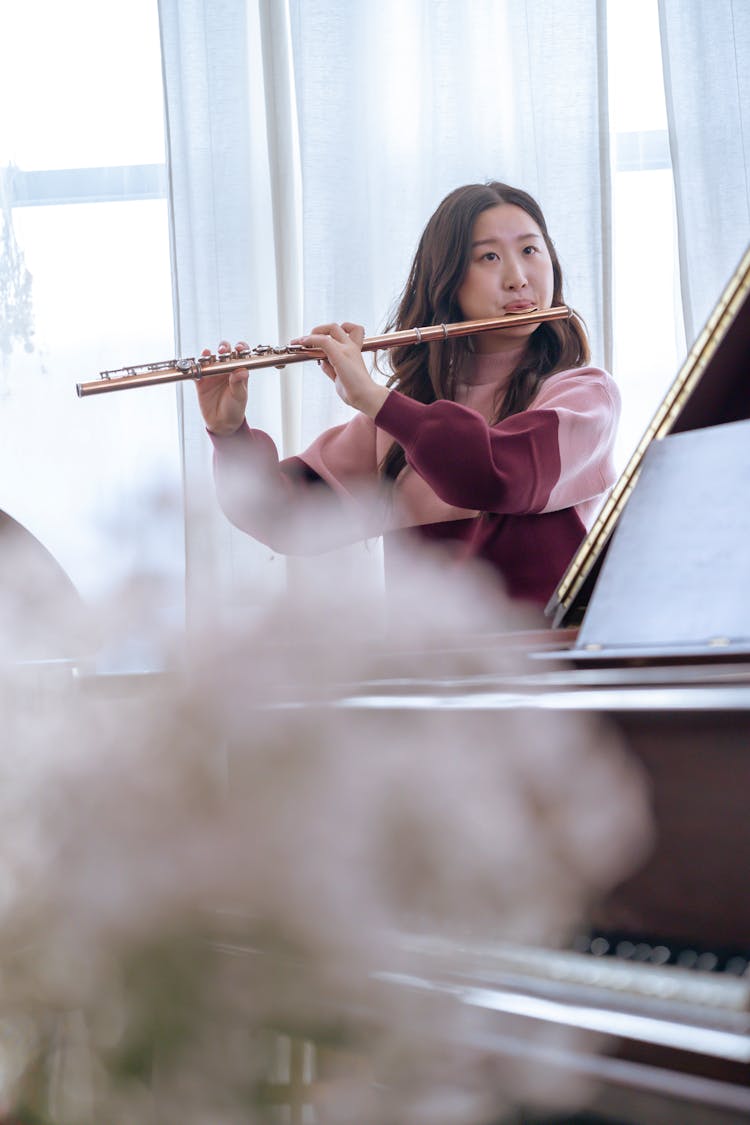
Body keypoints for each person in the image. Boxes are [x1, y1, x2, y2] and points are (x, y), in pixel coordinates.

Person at [197, 182, 620, 606]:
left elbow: (497, 475)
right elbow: (285, 520)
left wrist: (373, 398)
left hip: (545, 662)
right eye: (489, 257)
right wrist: (230, 433)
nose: (518, 278)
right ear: (449, 280)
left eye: (530, 250)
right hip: (431, 666)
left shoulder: (583, 397)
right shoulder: (398, 425)